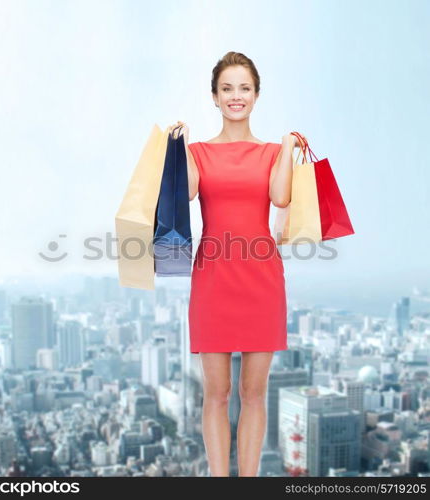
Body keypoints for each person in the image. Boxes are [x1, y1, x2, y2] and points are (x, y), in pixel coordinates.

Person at [169, 51, 307, 477]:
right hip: (212, 280)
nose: (236, 96)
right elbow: (186, 194)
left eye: (244, 88)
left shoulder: (271, 151)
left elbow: (282, 198)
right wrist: (177, 149)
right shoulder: (197, 152)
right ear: (214, 96)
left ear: (257, 95)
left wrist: (286, 148)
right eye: (227, 88)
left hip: (261, 280)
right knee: (216, 393)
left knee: (253, 393)